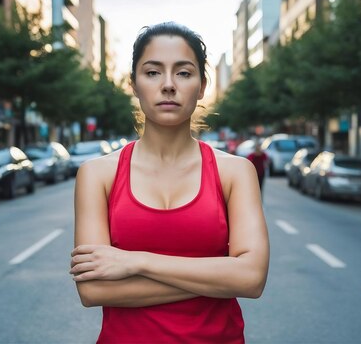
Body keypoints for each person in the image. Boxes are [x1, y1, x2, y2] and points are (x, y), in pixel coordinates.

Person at [71, 22, 270, 343]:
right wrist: (217, 277)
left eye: (183, 72)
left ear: (203, 85)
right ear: (133, 84)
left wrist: (136, 261)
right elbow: (94, 289)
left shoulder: (235, 171)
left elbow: (250, 279)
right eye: (152, 72)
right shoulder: (97, 174)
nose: (167, 85)